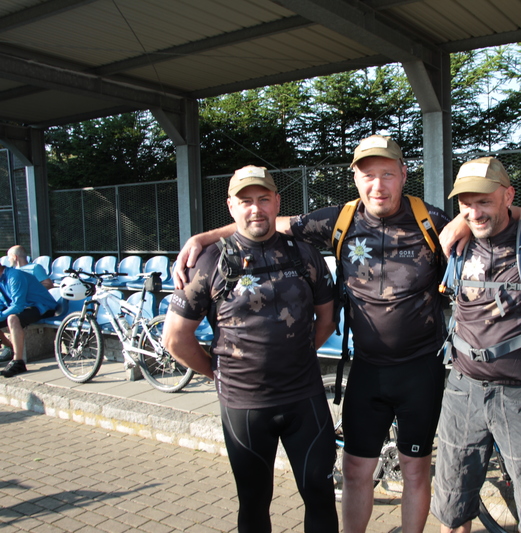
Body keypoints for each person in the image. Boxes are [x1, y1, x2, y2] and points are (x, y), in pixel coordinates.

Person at [173, 135, 450, 533]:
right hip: (366, 371)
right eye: (368, 175)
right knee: (354, 470)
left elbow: (485, 223)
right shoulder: (339, 220)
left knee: (415, 470)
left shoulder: (433, 221)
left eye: (388, 174)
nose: (378, 185)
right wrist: (203, 238)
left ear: (404, 174)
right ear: (355, 179)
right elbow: (263, 221)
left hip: (420, 370)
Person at [162, 165, 339, 532]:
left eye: (263, 199)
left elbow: (327, 319)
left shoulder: (305, 254)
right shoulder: (208, 261)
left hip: (304, 399)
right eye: (245, 201)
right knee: (254, 502)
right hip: (245, 406)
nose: (256, 209)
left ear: (277, 202)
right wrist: (215, 371)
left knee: (320, 495)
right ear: (231, 206)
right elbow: (176, 338)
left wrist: (298, 354)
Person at [432, 157, 521, 533]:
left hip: (520, 395)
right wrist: (463, 220)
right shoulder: (454, 244)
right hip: (462, 391)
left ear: (508, 195)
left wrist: (516, 212)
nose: (474, 213)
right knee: (451, 504)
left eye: (485, 201)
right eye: (465, 204)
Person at [0, 263, 58, 376]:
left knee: (12, 319)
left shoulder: (15, 275)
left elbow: (18, 305)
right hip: (25, 308)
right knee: (10, 316)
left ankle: (18, 362)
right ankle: (10, 347)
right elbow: (2, 303)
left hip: (43, 307)